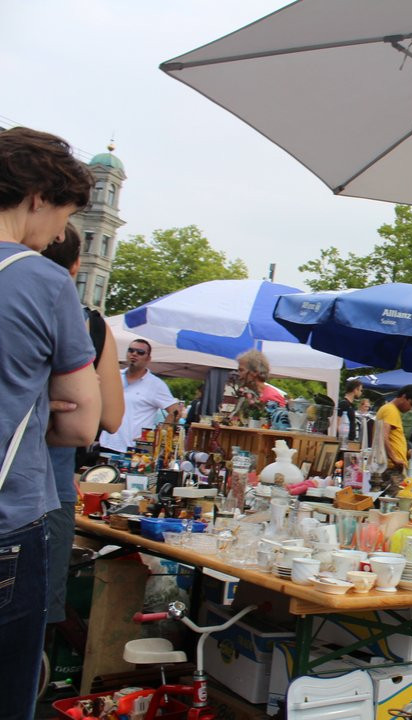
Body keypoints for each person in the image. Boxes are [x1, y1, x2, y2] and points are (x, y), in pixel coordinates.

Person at [0, 125, 102, 720]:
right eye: (62, 213)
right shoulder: (41, 278)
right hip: (10, 518)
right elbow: (81, 422)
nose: (60, 233)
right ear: (37, 194)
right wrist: (38, 407)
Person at [40, 224, 125, 627]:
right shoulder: (89, 325)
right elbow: (108, 419)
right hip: (48, 484)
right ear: (75, 267)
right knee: (33, 619)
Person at [98, 339, 182, 453]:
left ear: (148, 359)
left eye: (140, 352)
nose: (134, 354)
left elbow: (176, 412)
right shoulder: (114, 376)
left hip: (133, 450)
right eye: (131, 350)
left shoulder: (156, 384)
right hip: (106, 444)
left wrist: (157, 437)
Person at [375, 385, 412, 492]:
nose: (410, 408)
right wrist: (394, 458)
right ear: (404, 397)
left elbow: (391, 437)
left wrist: (405, 453)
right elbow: (383, 436)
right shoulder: (390, 410)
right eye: (411, 404)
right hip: (391, 468)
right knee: (400, 501)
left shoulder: (391, 410)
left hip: (391, 466)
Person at [337, 377, 363, 442]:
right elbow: (337, 423)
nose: (361, 393)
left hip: (349, 441)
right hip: (344, 441)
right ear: (355, 390)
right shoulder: (344, 404)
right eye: (360, 390)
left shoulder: (350, 405)